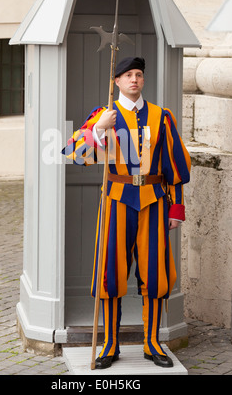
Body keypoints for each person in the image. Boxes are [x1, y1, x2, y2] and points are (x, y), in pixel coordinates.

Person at [62, 56, 191, 369]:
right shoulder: (104, 115)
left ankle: (151, 342)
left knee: (156, 273)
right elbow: (73, 154)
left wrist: (176, 207)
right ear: (116, 82)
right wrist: (99, 131)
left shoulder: (162, 116)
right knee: (111, 272)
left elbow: (176, 166)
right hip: (117, 200)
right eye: (127, 75)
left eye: (138, 75)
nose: (134, 80)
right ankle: (110, 344)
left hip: (155, 200)